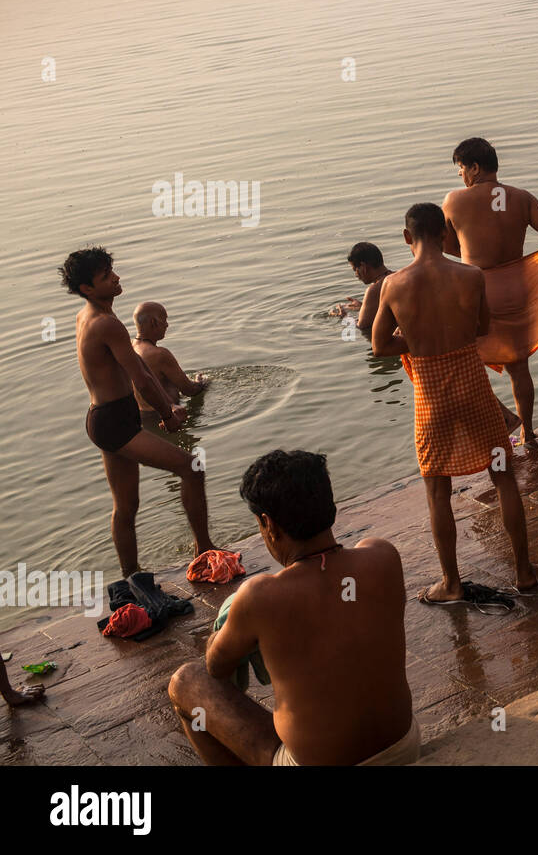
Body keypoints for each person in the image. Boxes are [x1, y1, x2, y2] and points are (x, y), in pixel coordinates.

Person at [167, 450, 419, 765]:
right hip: (402, 745)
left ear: (267, 524)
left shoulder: (259, 597)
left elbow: (215, 667)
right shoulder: (383, 556)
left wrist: (226, 621)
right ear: (332, 507)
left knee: (187, 681)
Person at [372, 203, 538, 603]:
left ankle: (451, 583)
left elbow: (380, 344)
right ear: (445, 235)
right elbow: (483, 327)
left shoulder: (393, 285)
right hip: (471, 383)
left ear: (407, 238)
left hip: (430, 393)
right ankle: (524, 572)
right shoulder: (470, 275)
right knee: (503, 475)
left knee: (437, 489)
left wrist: (416, 342)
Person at [61, 248, 215, 577]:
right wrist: (169, 413)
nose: (116, 278)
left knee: (126, 506)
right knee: (191, 468)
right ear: (88, 288)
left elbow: (139, 372)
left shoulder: (86, 316)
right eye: (106, 277)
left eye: (112, 271)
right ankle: (205, 550)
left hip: (102, 417)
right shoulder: (107, 325)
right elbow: (141, 377)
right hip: (115, 421)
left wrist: (165, 404)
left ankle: (132, 576)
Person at [442, 138, 538, 445]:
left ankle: (500, 419)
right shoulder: (522, 198)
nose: (460, 176)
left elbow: (446, 246)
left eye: (461, 169)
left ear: (474, 167)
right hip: (516, 290)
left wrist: (473, 250)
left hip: (479, 289)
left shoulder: (455, 200)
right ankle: (527, 430)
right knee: (518, 366)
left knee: (460, 359)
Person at [131, 302, 209, 424]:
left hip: (142, 419)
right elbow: (189, 390)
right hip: (166, 418)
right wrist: (202, 382)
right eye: (164, 320)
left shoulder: (129, 349)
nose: (167, 325)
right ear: (153, 322)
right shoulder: (159, 354)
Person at [330, 242, 393, 332]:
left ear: (363, 267)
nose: (356, 274)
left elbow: (362, 326)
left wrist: (344, 317)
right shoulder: (398, 276)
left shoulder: (374, 290)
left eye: (355, 269)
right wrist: (364, 307)